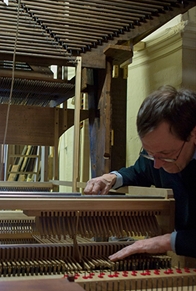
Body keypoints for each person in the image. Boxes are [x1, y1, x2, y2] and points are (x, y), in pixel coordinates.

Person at [84, 86, 196, 260]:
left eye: (165, 155)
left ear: (193, 134)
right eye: (151, 154)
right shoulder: (158, 155)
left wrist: (165, 241)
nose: (157, 164)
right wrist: (111, 178)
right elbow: (139, 172)